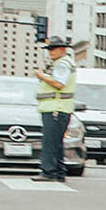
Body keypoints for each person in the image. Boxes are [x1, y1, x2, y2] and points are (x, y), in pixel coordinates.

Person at [34, 36, 76, 181]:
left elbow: (59, 84)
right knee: (56, 143)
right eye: (49, 49)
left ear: (62, 49)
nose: (50, 52)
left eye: (53, 49)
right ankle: (58, 172)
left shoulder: (62, 64)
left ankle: (49, 172)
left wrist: (41, 76)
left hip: (56, 108)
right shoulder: (62, 63)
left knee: (50, 142)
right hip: (58, 108)